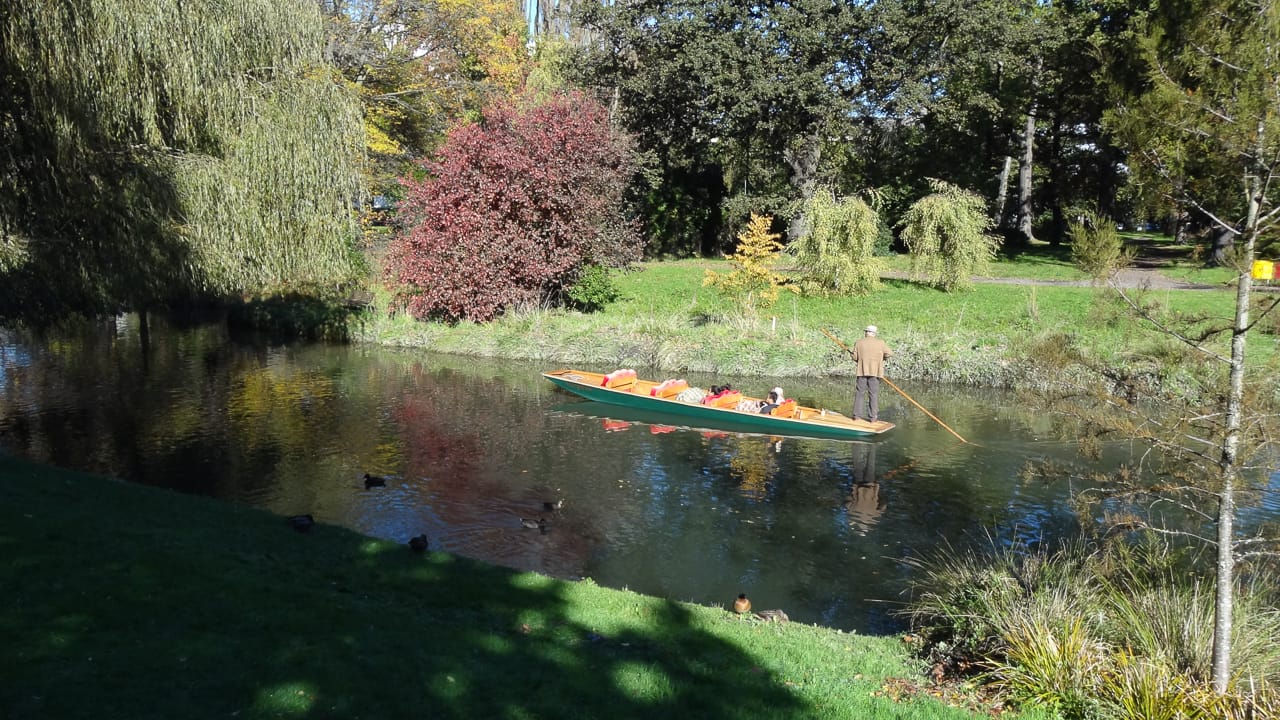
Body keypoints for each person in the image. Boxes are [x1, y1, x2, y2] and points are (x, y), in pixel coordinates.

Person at [851, 324, 892, 422]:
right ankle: (873, 417)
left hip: (862, 371)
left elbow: (855, 357)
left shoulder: (859, 342)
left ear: (867, 332)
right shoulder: (881, 343)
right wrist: (881, 358)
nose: (865, 333)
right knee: (873, 394)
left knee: (860, 393)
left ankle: (857, 416)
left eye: (866, 331)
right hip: (875, 372)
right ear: (874, 333)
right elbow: (889, 353)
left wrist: (853, 356)